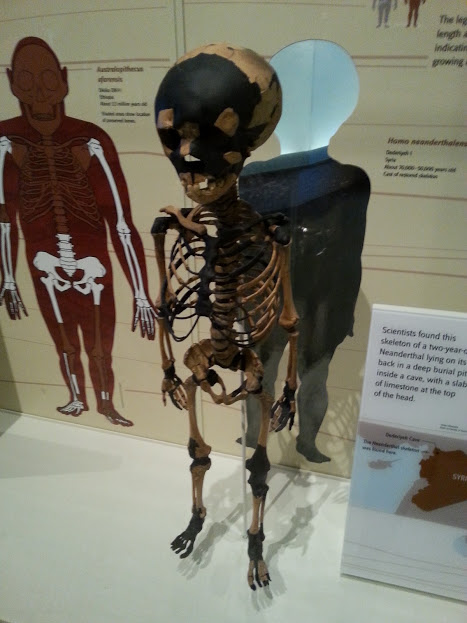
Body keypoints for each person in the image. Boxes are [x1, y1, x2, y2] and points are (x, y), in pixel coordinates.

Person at [0, 37, 156, 426]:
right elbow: (4, 217)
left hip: (92, 264)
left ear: (65, 81)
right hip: (44, 262)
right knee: (65, 343)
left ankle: (105, 403)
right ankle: (76, 398)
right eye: (27, 80)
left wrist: (140, 292)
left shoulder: (91, 140)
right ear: (12, 83)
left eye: (48, 79)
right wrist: (8, 279)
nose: (39, 92)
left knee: (100, 347)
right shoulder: (6, 140)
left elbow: (120, 221)